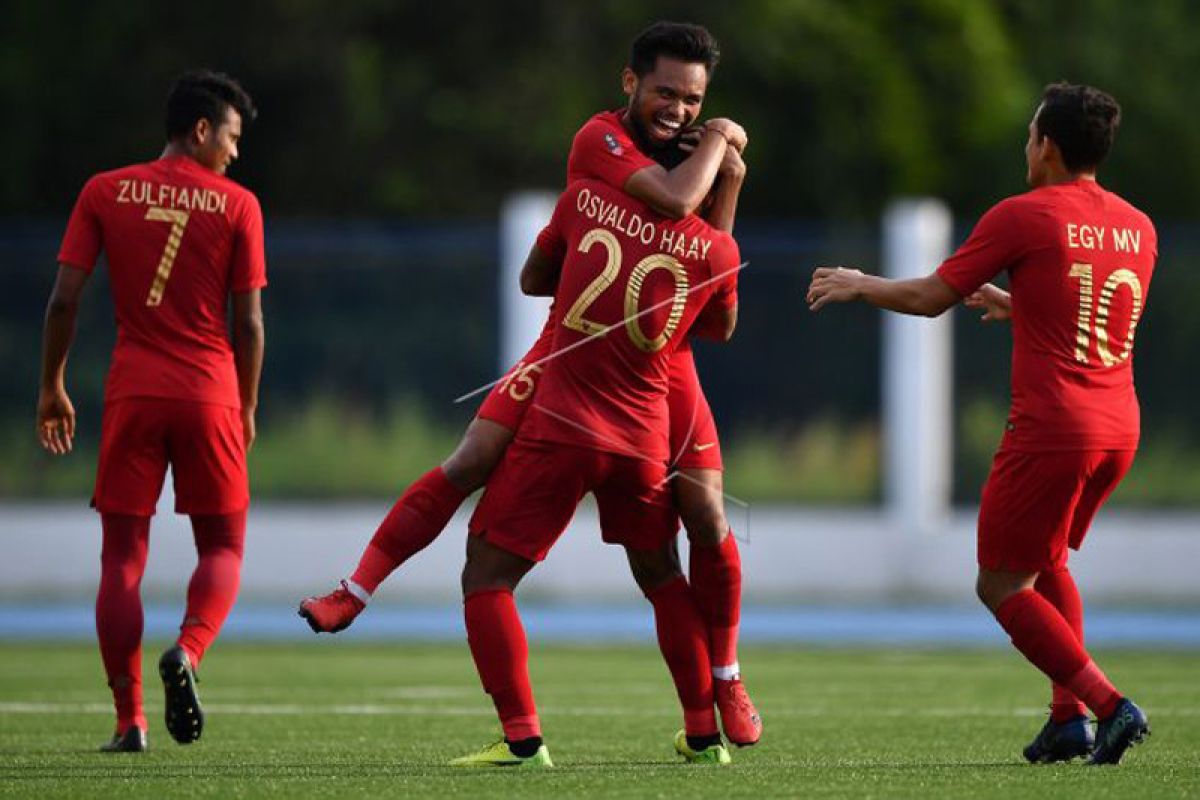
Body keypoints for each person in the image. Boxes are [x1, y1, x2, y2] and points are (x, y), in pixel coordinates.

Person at [300, 20, 761, 747]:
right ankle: (354, 590)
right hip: (573, 348)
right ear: (630, 82)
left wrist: (718, 181)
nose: (678, 109)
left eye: (694, 99)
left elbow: (696, 300)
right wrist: (720, 147)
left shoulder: (646, 179)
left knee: (702, 521)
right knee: (472, 458)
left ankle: (725, 683)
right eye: (666, 92)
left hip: (657, 360)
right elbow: (681, 215)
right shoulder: (603, 141)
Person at [806, 82, 1153, 766]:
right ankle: (1066, 720)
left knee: (999, 584)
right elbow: (1094, 320)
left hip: (1055, 426)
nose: (1026, 145)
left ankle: (1109, 706)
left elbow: (933, 297)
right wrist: (1020, 307)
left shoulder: (1024, 214)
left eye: (1030, 135)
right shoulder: (1137, 226)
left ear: (1047, 146)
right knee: (1046, 561)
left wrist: (860, 282)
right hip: (1118, 427)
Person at [450, 176, 741, 767]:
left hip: (585, 400)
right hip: (645, 410)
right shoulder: (696, 227)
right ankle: (707, 723)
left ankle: (524, 738)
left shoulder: (593, 187)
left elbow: (532, 279)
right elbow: (718, 319)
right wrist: (727, 172)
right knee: (664, 566)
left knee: (485, 563)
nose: (679, 107)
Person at [37, 70, 266, 753]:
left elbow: (62, 301)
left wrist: (52, 384)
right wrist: (247, 404)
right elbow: (249, 324)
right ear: (201, 131)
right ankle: (189, 651)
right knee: (223, 546)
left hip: (132, 391)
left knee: (121, 563)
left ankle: (128, 719)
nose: (234, 152)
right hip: (210, 392)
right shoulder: (239, 205)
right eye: (230, 137)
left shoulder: (103, 191)